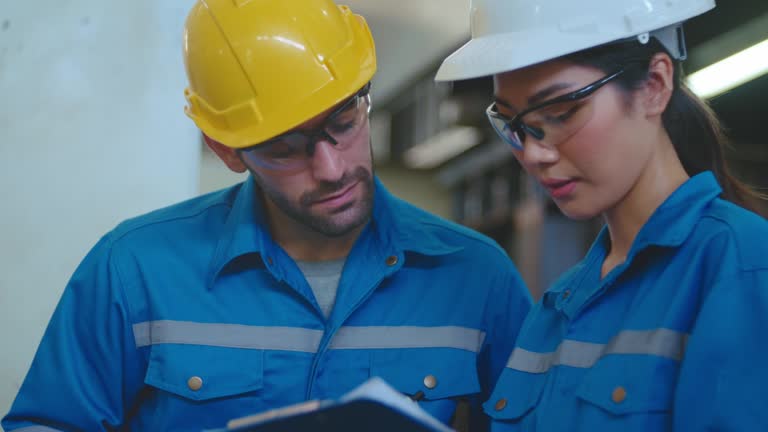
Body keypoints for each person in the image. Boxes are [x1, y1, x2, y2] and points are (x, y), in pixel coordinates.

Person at [2, 0, 533, 431]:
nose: (330, 168)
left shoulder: (477, 277)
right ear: (226, 150)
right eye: (284, 148)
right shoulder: (133, 270)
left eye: (344, 121)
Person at [435, 0, 768, 430]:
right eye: (514, 124)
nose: (534, 153)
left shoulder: (740, 265)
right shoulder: (560, 304)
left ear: (654, 84)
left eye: (560, 112)